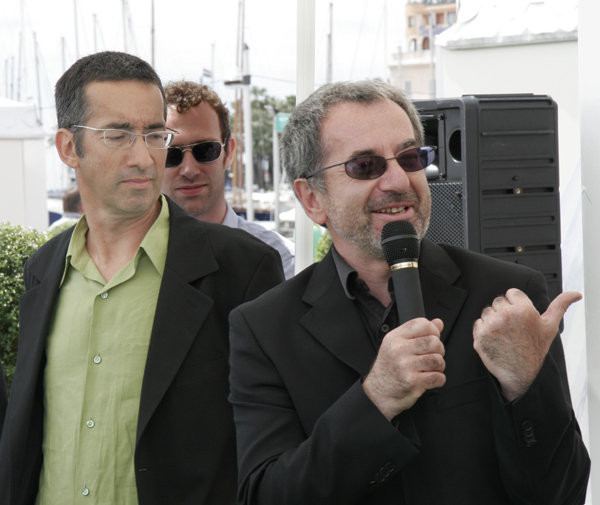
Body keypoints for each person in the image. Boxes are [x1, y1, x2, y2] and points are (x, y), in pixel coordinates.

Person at [228, 80, 590, 505]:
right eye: (365, 166)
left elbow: (561, 493)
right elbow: (266, 496)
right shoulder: (264, 328)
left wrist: (524, 390)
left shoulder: (508, 295)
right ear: (312, 199)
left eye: (410, 157)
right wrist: (376, 398)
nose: (399, 180)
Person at [0, 51, 284, 505]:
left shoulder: (243, 268)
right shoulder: (42, 270)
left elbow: (272, 448)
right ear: (69, 148)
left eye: (154, 134)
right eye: (117, 135)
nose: (144, 157)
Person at [161, 81, 295, 279]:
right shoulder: (129, 257)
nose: (189, 169)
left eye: (205, 149)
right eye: (171, 153)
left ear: (229, 152)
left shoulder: (281, 260)